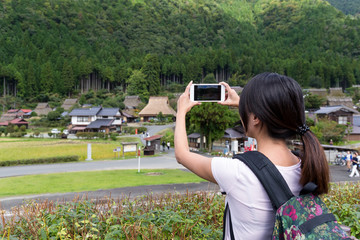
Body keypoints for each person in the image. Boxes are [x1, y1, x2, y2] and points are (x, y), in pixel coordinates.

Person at [175, 73, 330, 239]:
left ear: (255, 117)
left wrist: (181, 111)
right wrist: (246, 104)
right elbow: (274, 114)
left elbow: (182, 154)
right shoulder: (307, 163)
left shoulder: (237, 172)